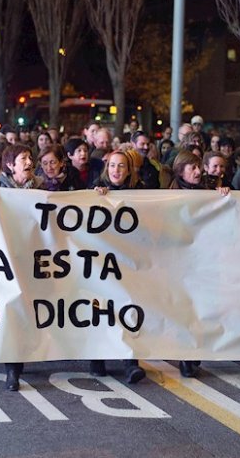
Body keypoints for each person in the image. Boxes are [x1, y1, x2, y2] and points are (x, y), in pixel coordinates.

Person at [0, 144, 43, 391]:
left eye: (30, 157)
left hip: (32, 259)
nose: (29, 162)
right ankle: (13, 370)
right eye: (23, 159)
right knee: (11, 310)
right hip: (4, 262)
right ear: (10, 165)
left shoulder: (42, 189)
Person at [168, 150, 230, 377]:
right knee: (184, 310)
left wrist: (222, 195)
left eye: (198, 167)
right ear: (181, 170)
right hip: (179, 261)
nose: (198, 171)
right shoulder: (168, 195)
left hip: (202, 261)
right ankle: (186, 356)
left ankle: (192, 354)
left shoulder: (207, 192)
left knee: (200, 309)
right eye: (193, 167)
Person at [91, 150, 148, 385]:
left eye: (121, 166)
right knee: (101, 308)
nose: (116, 170)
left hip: (127, 260)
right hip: (101, 261)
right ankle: (98, 358)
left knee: (128, 307)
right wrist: (96, 198)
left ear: (129, 170)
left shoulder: (140, 193)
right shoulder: (94, 189)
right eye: (112, 165)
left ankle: (130, 362)